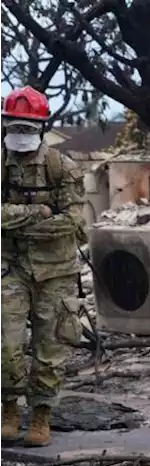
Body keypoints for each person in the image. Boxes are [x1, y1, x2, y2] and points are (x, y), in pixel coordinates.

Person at [0, 87, 85, 447]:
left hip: (56, 272)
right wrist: (38, 212)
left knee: (51, 349)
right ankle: (8, 409)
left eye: (27, 127)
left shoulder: (61, 167)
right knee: (6, 343)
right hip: (10, 268)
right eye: (14, 127)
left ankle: (41, 415)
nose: (20, 134)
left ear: (41, 127)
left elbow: (76, 224)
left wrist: (13, 222)